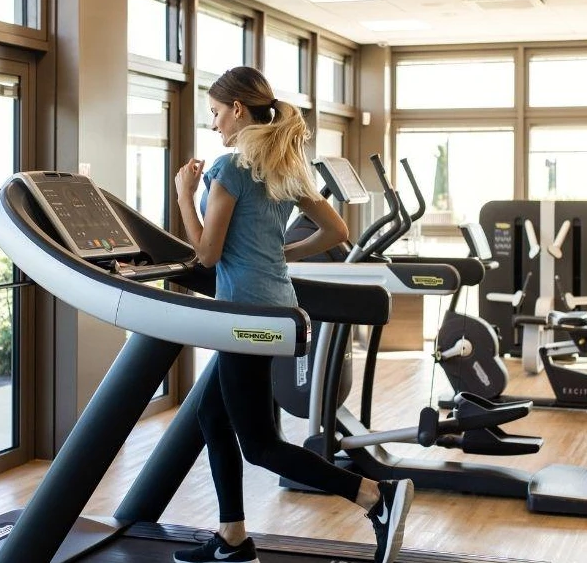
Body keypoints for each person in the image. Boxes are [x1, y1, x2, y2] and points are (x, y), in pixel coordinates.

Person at [170, 66, 414, 563]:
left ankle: (374, 496)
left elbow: (208, 254)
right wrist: (283, 255)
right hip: (277, 308)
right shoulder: (283, 169)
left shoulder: (228, 169)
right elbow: (337, 231)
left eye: (216, 113)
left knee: (259, 445)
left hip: (244, 318)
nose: (214, 125)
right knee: (211, 416)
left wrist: (183, 194)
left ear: (238, 109)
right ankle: (232, 538)